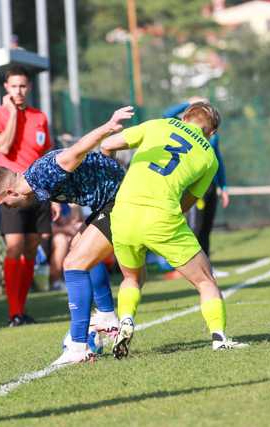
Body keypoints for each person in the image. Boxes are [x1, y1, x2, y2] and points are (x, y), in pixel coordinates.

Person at [0, 107, 133, 364]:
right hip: (110, 201)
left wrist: (108, 126)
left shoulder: (42, 172)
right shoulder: (35, 182)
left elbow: (77, 150)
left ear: (10, 193)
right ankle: (107, 316)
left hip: (120, 199)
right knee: (78, 246)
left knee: (73, 263)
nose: (8, 209)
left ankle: (78, 346)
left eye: (4, 205)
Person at [100, 102, 248, 359]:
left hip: (123, 212)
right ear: (211, 133)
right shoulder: (209, 158)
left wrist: (115, 178)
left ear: (185, 117)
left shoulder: (158, 124)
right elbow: (187, 203)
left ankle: (125, 320)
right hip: (162, 217)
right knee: (205, 280)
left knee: (131, 278)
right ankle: (219, 338)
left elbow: (108, 145)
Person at [0, 66, 54, 327]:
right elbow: (3, 145)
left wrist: (55, 196)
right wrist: (13, 113)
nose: (19, 91)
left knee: (31, 247)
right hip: (10, 191)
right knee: (14, 246)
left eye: (23, 86)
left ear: (29, 87)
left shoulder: (39, 117)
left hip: (38, 190)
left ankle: (21, 309)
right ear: (6, 87)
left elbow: (46, 157)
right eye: (14, 86)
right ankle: (14, 311)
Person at [163, 98, 230, 266]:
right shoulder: (182, 127)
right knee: (195, 228)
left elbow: (218, 161)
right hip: (194, 186)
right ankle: (189, 266)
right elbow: (166, 116)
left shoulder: (212, 136)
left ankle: (206, 265)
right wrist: (187, 102)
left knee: (206, 229)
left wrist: (223, 186)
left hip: (210, 187)